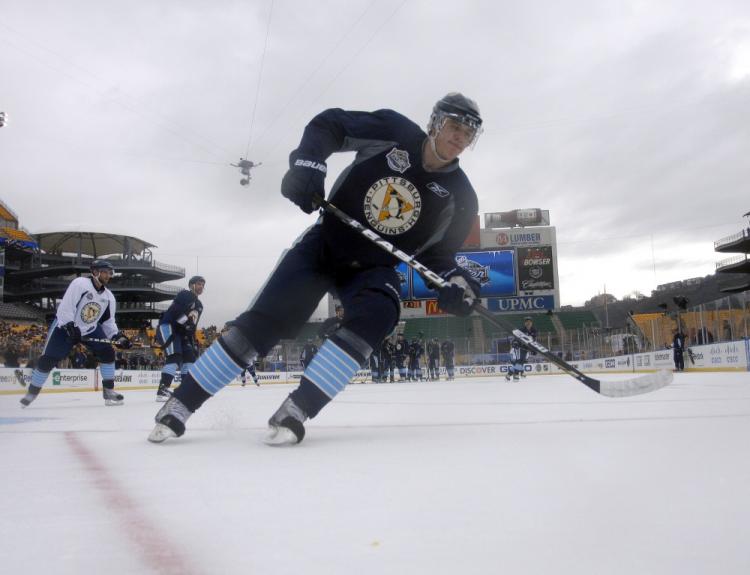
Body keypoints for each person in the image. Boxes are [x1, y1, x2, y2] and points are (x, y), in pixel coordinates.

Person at [149, 92, 483, 445]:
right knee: (262, 325)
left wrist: (455, 283)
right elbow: (331, 124)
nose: (459, 137)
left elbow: (439, 257)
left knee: (380, 312)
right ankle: (179, 405)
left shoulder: (462, 196)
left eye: (468, 133)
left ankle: (295, 411)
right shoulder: (393, 129)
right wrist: (308, 163)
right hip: (326, 244)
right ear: (435, 122)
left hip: (374, 266)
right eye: (454, 126)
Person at [19, 260, 131, 407]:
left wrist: (118, 337)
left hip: (90, 328)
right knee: (48, 360)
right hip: (64, 327)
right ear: (95, 272)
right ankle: (32, 392)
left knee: (108, 352)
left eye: (110, 273)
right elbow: (66, 307)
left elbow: (108, 322)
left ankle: (109, 391)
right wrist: (71, 327)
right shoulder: (80, 284)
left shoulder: (109, 297)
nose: (108, 275)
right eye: (105, 271)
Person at [154, 275, 205, 402]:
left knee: (190, 359)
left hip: (182, 333)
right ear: (191, 285)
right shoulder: (185, 295)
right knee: (175, 357)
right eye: (199, 284)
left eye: (203, 285)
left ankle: (184, 391)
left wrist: (193, 341)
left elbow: (193, 325)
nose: (201, 287)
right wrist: (186, 323)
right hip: (169, 327)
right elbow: (175, 312)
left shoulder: (199, 305)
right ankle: (162, 389)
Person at [505, 316, 537, 381]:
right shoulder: (521, 330)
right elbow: (515, 338)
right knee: (519, 361)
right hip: (520, 347)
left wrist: (534, 349)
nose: (528, 323)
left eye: (529, 322)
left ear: (532, 323)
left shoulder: (534, 330)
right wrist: (515, 343)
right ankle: (516, 375)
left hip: (527, 349)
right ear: (525, 323)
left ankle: (508, 375)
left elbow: (533, 341)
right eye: (527, 322)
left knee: (521, 362)